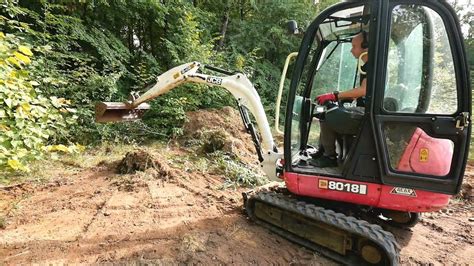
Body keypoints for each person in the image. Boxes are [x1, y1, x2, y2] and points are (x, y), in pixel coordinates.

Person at [312, 31, 369, 167]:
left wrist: (335, 95)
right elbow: (362, 91)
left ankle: (330, 157)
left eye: (354, 46)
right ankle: (324, 150)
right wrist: (344, 97)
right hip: (365, 109)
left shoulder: (371, 65)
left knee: (329, 115)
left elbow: (364, 90)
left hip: (367, 114)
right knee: (329, 111)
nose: (351, 51)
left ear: (365, 47)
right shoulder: (367, 65)